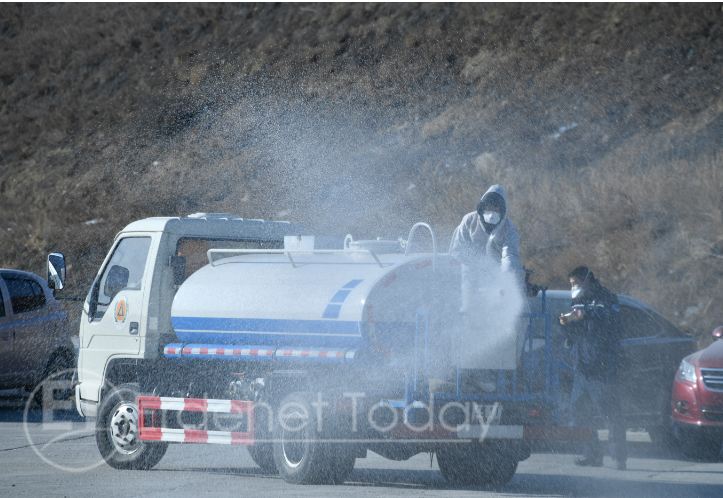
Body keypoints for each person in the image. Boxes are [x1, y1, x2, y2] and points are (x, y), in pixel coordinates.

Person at [559, 266, 627, 470]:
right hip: (582, 368)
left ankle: (619, 456)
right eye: (571, 284)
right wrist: (565, 323)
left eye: (575, 283)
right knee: (579, 411)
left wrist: (584, 314)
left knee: (610, 412)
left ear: (587, 280)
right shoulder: (577, 301)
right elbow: (575, 331)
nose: (573, 287)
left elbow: (607, 316)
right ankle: (592, 454)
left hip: (603, 367)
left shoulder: (606, 298)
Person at [449, 184, 523, 311]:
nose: (492, 213)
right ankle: (468, 320)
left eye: (496, 208)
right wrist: (479, 264)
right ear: (482, 207)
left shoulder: (509, 229)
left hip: (497, 272)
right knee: (468, 307)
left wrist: (505, 280)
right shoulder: (469, 221)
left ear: (502, 211)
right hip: (469, 270)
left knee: (507, 304)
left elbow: (509, 257)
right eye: (489, 207)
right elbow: (458, 248)